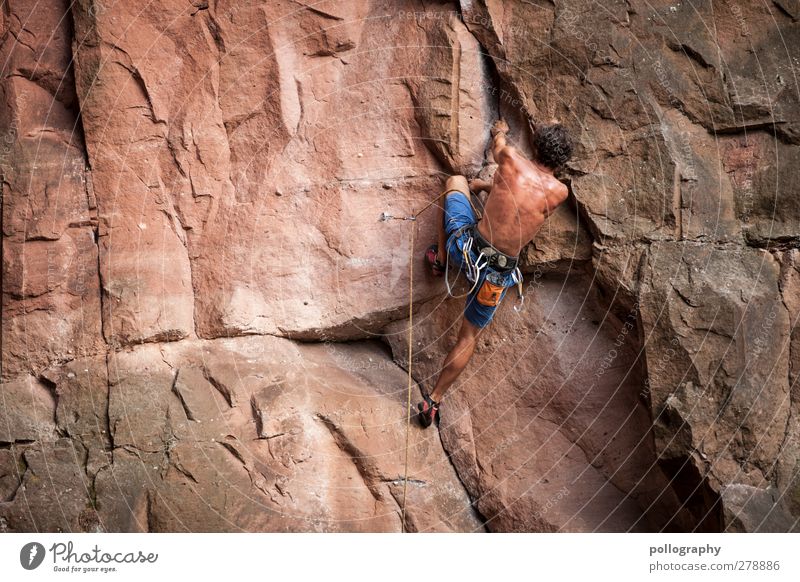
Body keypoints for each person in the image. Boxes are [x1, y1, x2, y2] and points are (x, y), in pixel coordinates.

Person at [418, 118, 574, 428]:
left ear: (536, 146)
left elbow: (498, 149)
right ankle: (433, 401)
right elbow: (523, 201)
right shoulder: (559, 193)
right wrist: (488, 186)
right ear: (562, 161)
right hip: (496, 276)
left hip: (466, 250)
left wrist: (500, 132)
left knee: (455, 183)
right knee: (468, 337)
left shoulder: (512, 158)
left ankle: (440, 259)